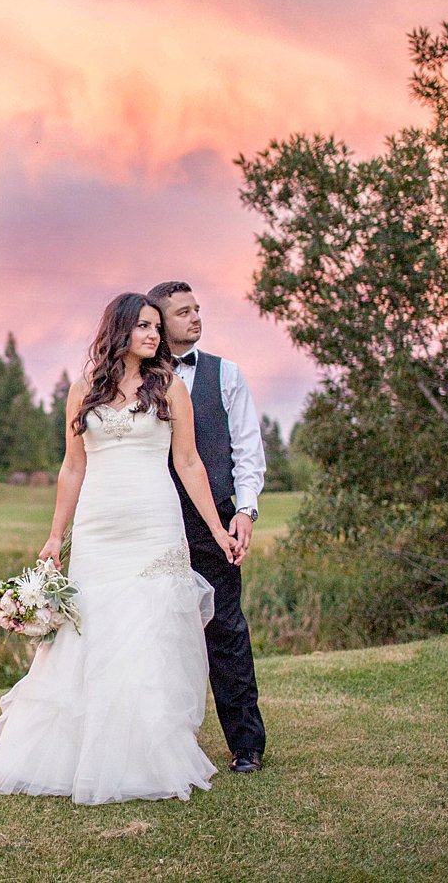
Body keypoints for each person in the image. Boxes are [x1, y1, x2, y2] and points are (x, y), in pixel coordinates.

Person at [0, 292, 239, 805]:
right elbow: (72, 466)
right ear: (119, 330)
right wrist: (54, 535)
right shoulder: (84, 388)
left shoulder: (170, 387)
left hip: (156, 524)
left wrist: (219, 530)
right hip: (98, 526)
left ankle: (148, 754)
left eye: (157, 327)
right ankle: (81, 753)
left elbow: (191, 465)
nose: (154, 335)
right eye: (143, 326)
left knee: (149, 631)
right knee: (94, 631)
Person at [147, 280, 267, 774]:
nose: (196, 318)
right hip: (152, 519)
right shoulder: (134, 379)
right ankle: (161, 743)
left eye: (198, 309)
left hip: (213, 517)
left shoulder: (227, 375)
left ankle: (246, 747)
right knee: (152, 629)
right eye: (182, 312)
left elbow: (247, 449)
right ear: (157, 321)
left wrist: (245, 510)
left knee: (226, 627)